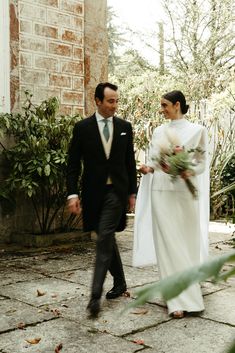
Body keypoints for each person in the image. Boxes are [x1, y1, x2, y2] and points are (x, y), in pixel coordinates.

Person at [133, 90, 209, 318]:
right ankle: (174, 299)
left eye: (165, 105)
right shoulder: (158, 131)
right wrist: (148, 167)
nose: (162, 109)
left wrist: (188, 170)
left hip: (184, 194)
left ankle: (190, 292)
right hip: (161, 192)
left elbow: (202, 162)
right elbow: (156, 160)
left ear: (177, 105)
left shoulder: (198, 130)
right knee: (166, 245)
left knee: (186, 243)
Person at [66, 82, 137, 318]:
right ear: (97, 100)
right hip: (93, 194)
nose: (114, 106)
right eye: (110, 101)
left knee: (104, 236)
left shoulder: (125, 127)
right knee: (106, 237)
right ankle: (120, 282)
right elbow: (73, 165)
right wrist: (73, 193)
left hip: (116, 193)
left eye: (116, 101)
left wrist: (132, 193)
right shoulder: (82, 128)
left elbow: (130, 163)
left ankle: (95, 295)